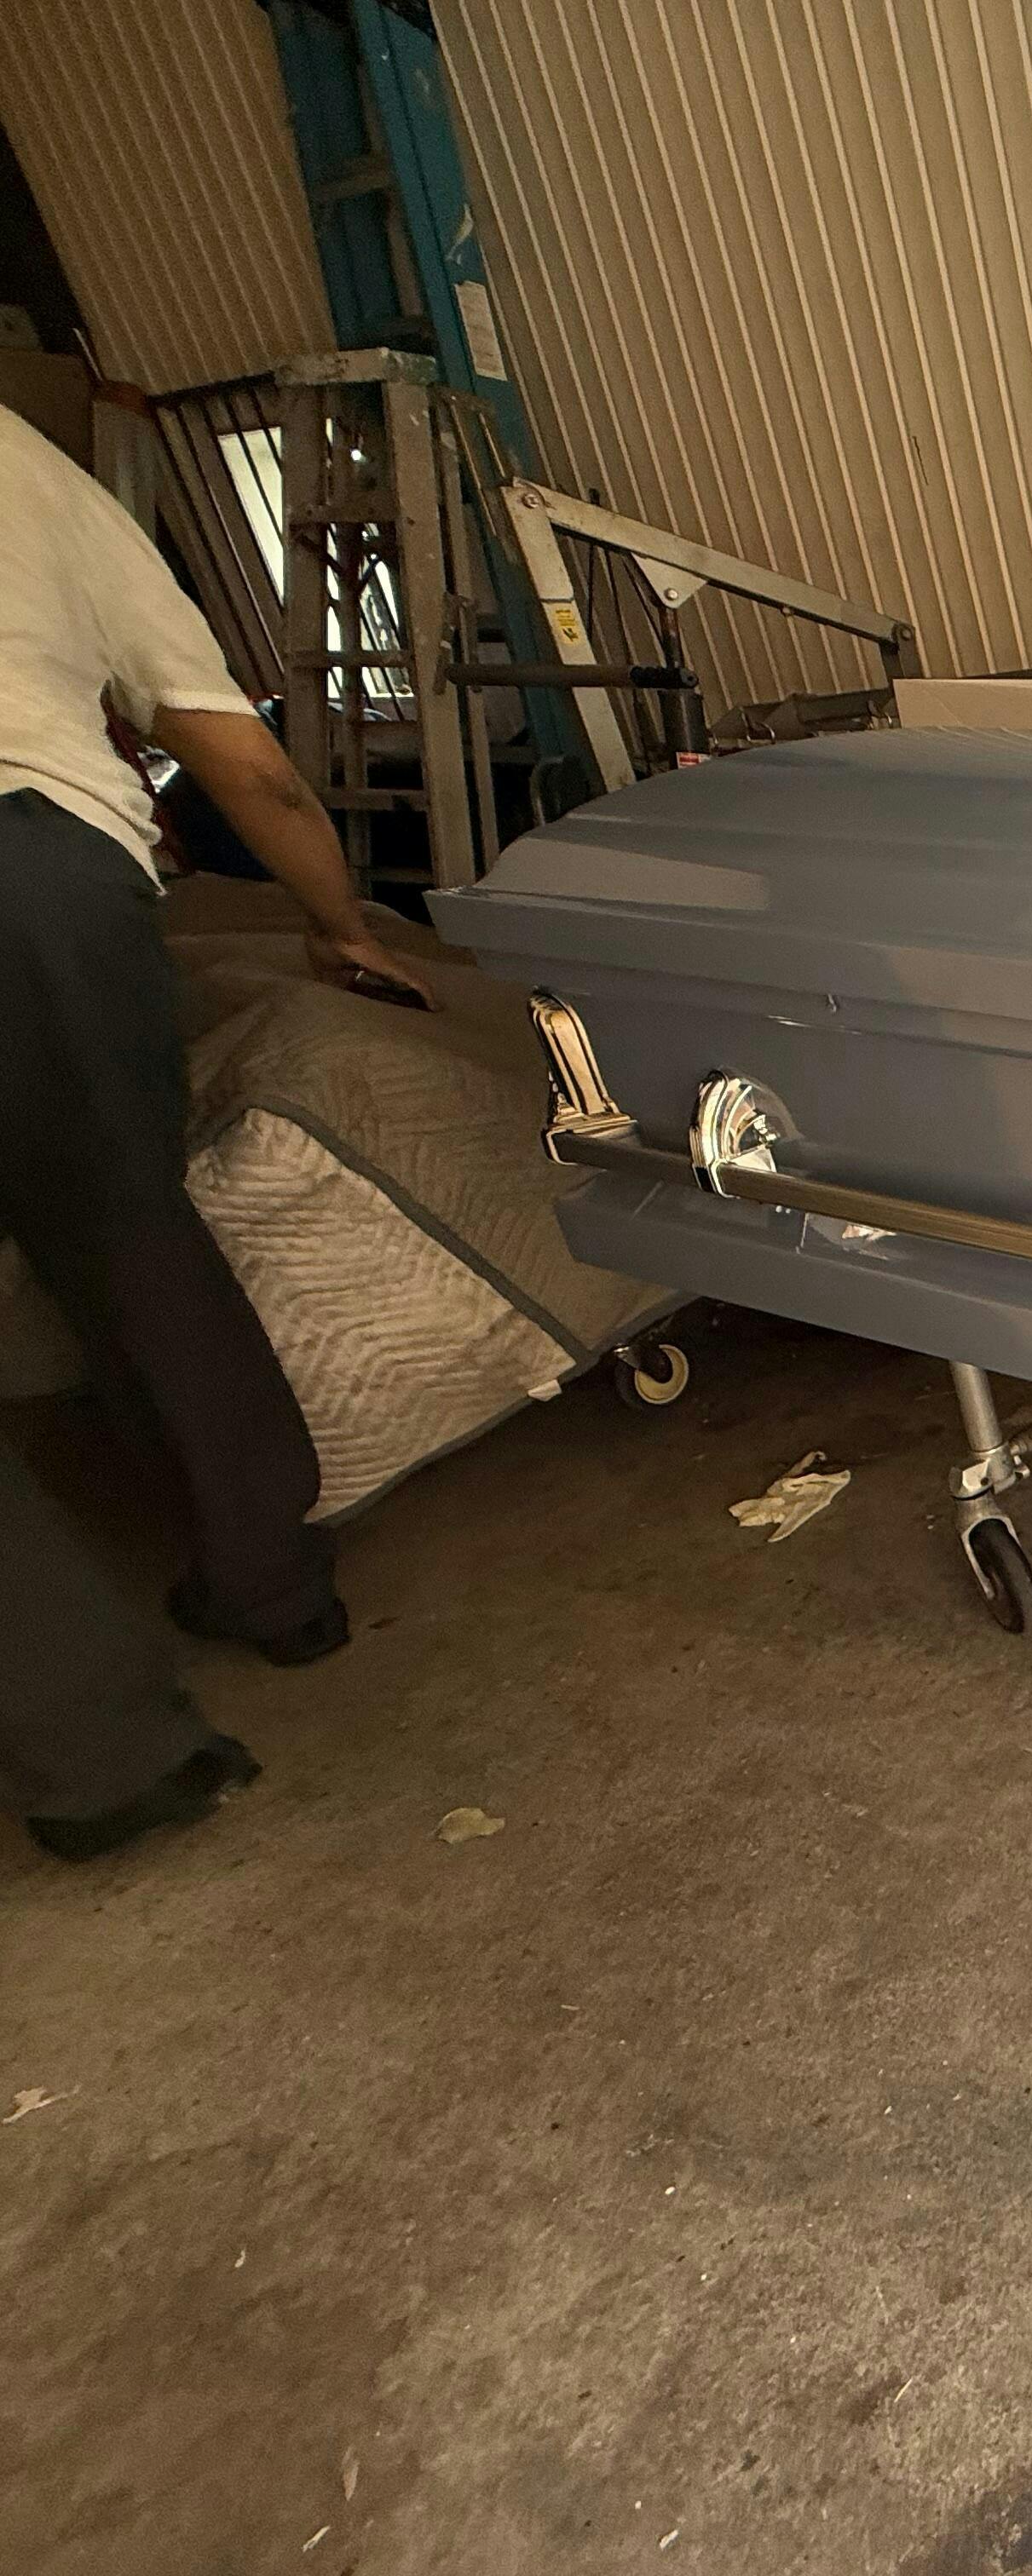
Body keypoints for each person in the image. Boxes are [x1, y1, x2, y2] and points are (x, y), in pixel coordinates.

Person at [3, 398, 431, 1858]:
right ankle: (274, 1586)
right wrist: (343, 925)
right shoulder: (18, 462)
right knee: (127, 1222)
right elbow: (247, 764)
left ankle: (109, 1753)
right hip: (40, 886)